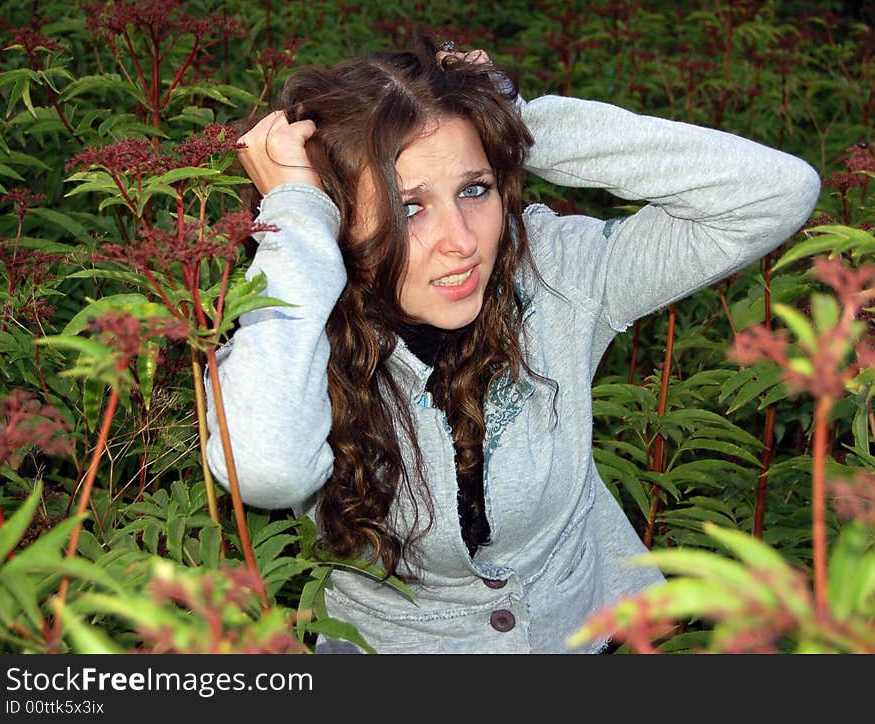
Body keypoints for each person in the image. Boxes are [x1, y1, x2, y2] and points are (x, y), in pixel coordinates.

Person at [205, 36, 821, 654]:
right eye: (409, 207)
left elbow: (776, 192)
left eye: (475, 189)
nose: (461, 241)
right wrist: (294, 219)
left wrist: (516, 121)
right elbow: (265, 468)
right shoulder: (290, 329)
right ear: (335, 219)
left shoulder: (553, 277)